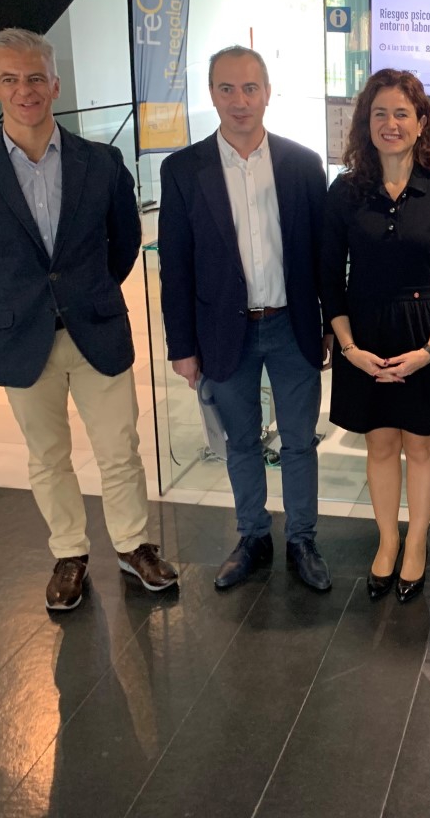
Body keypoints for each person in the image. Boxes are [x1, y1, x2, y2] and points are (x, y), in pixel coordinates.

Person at [0, 27, 178, 611]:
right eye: (11, 79)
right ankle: (70, 553)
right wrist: (19, 300)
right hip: (22, 336)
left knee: (119, 449)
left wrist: (84, 292)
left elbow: (124, 240)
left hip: (95, 328)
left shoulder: (101, 162)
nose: (25, 90)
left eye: (35, 78)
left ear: (55, 85)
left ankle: (132, 545)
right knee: (47, 456)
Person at [159, 46, 332, 593]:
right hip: (222, 331)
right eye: (227, 89)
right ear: (211, 94)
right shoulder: (183, 170)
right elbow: (175, 266)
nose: (240, 101)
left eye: (250, 88)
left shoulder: (303, 164)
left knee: (299, 441)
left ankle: (302, 539)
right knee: (240, 442)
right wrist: (182, 346)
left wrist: (331, 324)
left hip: (292, 325)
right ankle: (253, 536)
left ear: (268, 93)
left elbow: (323, 255)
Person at [321, 69, 430, 604]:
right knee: (380, 443)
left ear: (421, 122)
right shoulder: (345, 192)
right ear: (366, 122)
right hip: (363, 337)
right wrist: (349, 348)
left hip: (425, 339)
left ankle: (417, 543)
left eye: (402, 113)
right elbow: (328, 277)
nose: (391, 123)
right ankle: (387, 541)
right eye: (379, 113)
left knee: (421, 445)